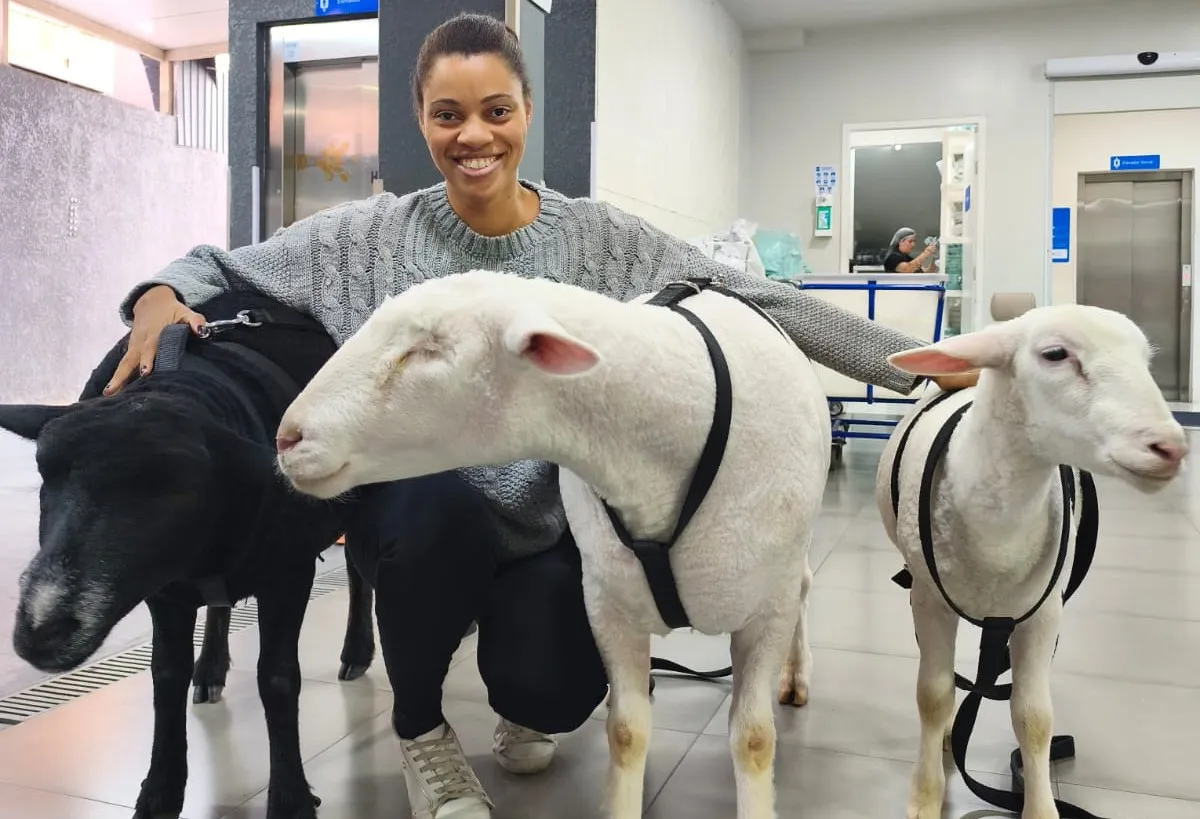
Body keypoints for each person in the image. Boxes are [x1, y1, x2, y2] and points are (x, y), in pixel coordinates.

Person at [105, 13, 975, 819]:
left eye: (496, 111)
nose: (474, 136)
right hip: (423, 521)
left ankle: (519, 689)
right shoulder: (365, 239)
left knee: (555, 690)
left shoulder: (598, 241)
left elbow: (754, 295)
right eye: (448, 115)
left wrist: (919, 367)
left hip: (550, 523)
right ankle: (420, 731)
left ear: (525, 110)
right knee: (429, 514)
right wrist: (157, 296)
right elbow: (220, 262)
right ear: (421, 120)